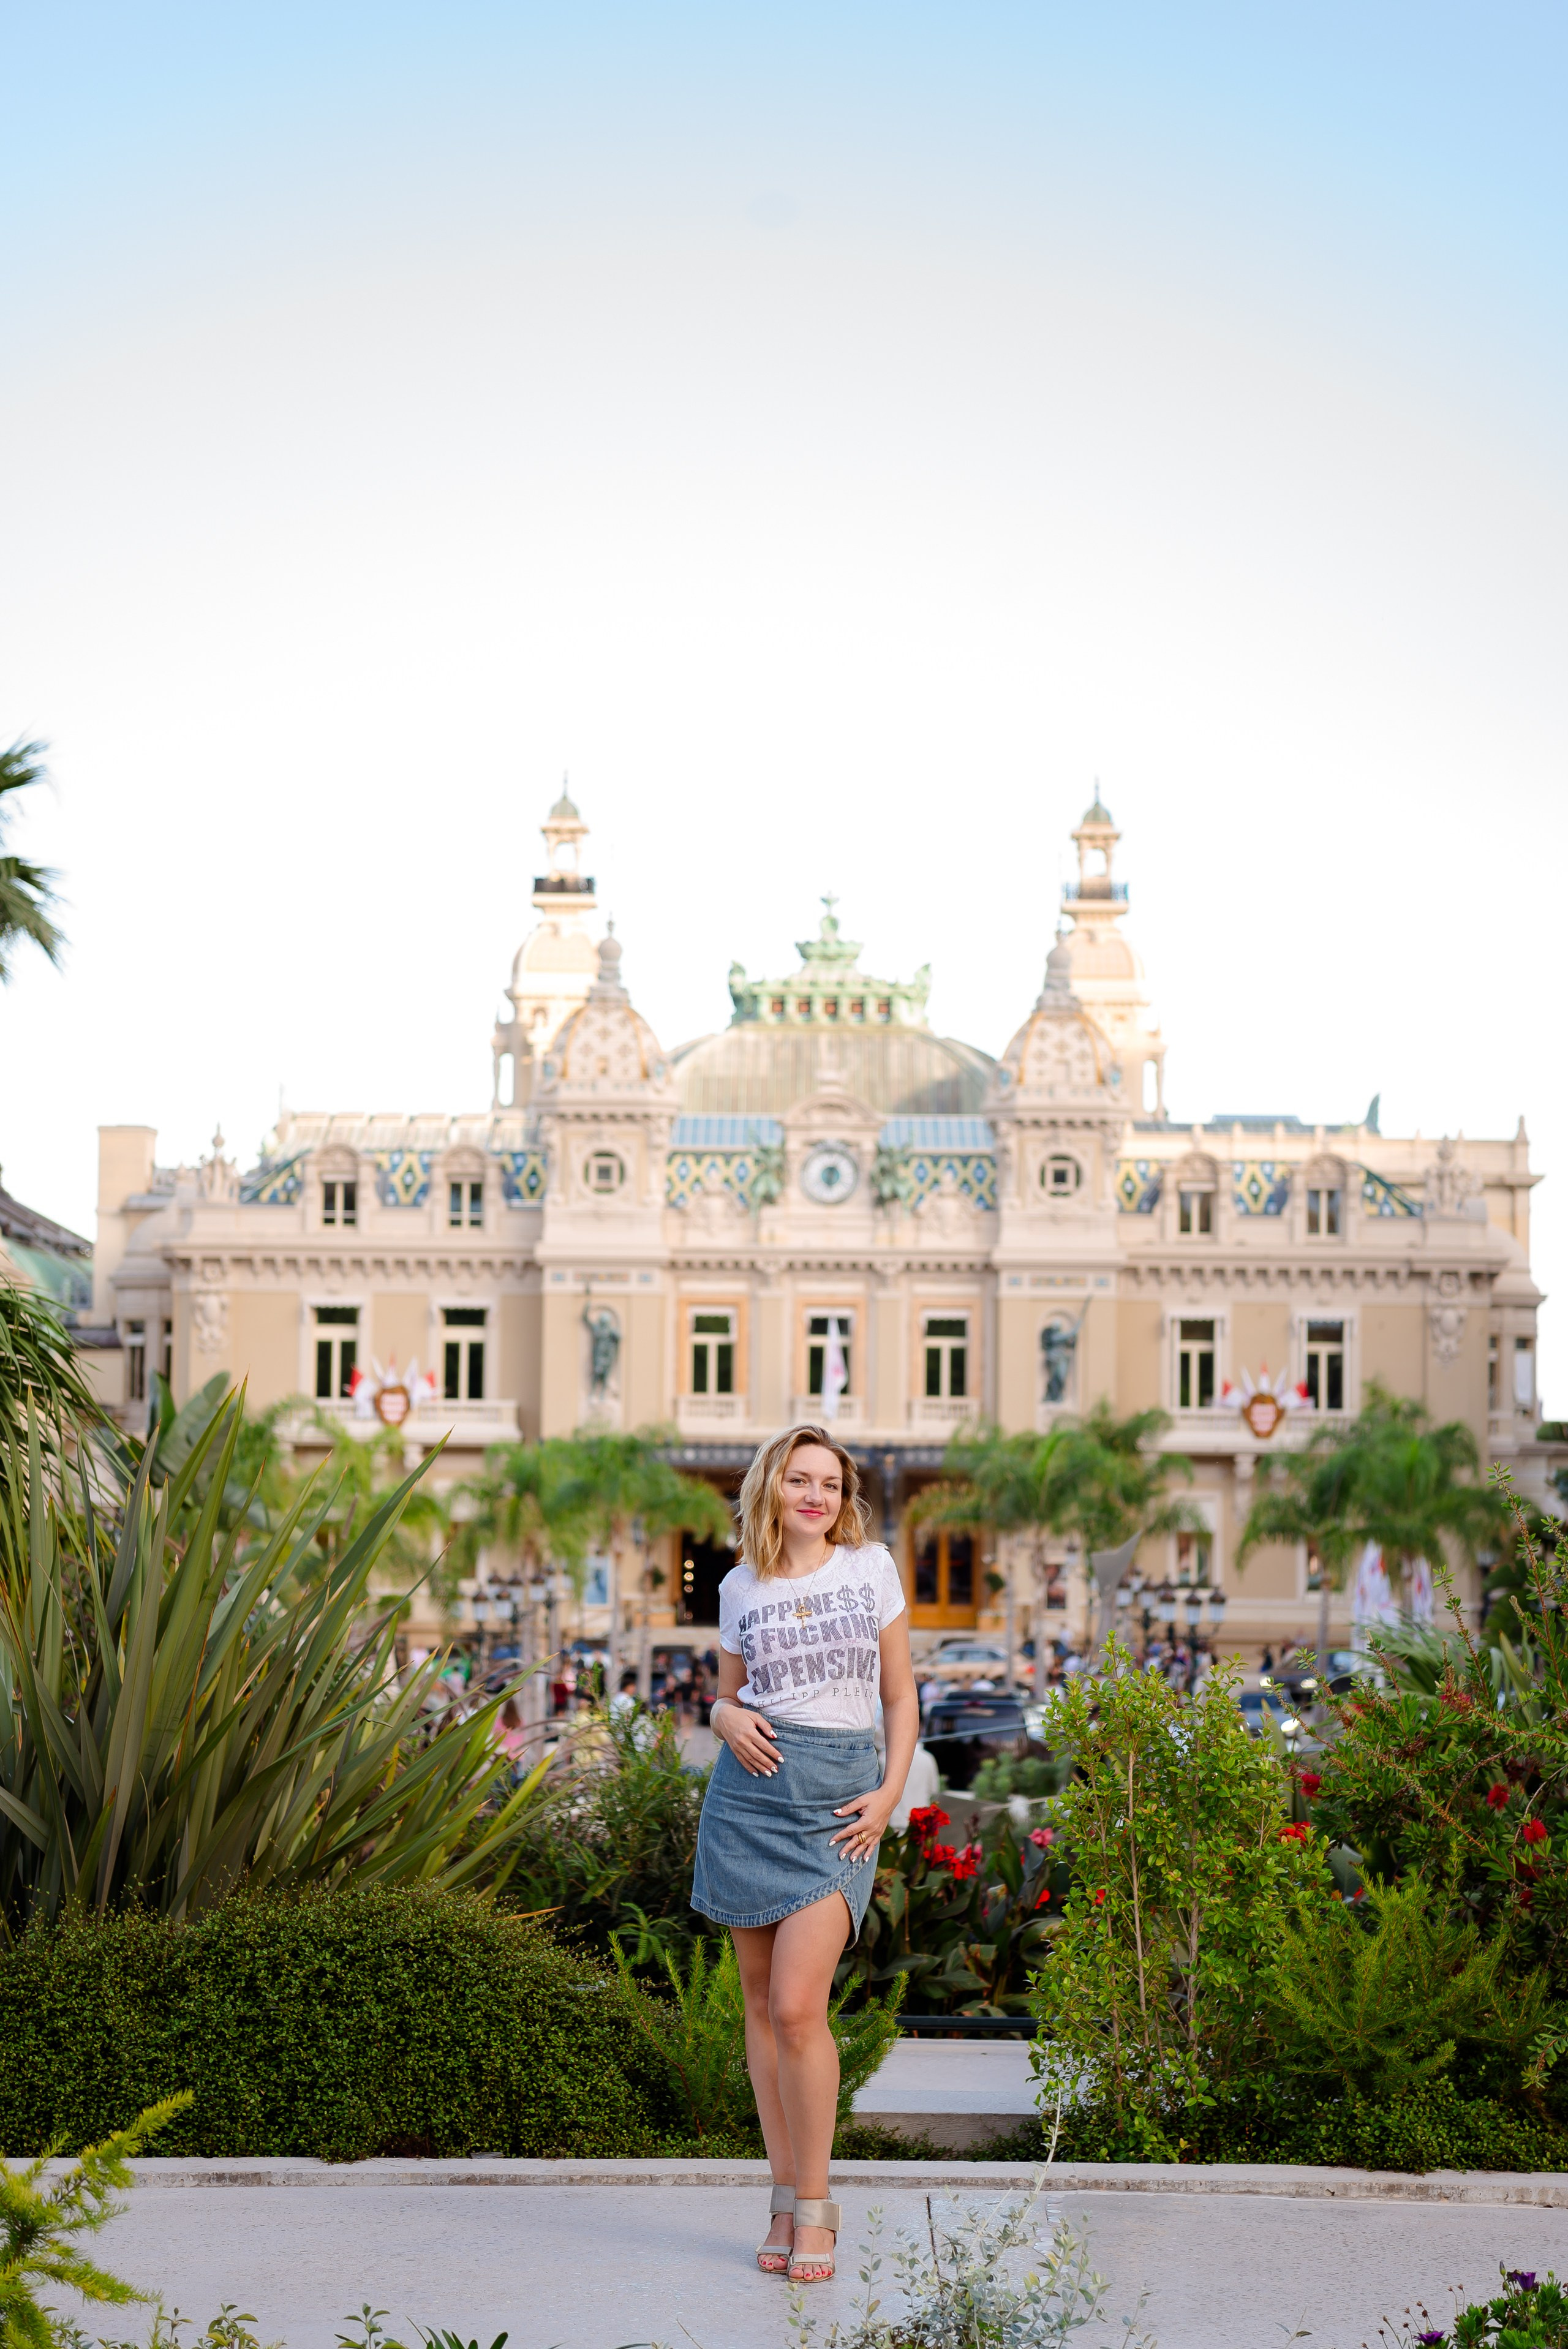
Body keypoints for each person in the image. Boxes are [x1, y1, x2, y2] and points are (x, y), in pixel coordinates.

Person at [691, 1424, 917, 2286]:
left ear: (844, 1496)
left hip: (838, 1805)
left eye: (830, 1483)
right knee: (758, 2008)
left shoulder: (871, 1569)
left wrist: (889, 1796)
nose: (816, 1495)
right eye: (799, 1480)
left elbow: (901, 1696)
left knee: (795, 2008)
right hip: (748, 1801)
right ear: (772, 1489)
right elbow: (726, 1698)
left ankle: (816, 2204)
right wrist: (723, 1716)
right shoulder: (739, 1585)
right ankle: (783, 2199)